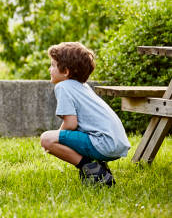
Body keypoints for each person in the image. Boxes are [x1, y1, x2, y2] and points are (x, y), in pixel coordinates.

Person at [40, 42, 130, 186]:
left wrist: (56, 139)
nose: (50, 69)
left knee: (47, 139)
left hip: (103, 144)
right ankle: (99, 168)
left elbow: (70, 124)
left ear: (66, 72)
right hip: (116, 143)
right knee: (56, 137)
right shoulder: (83, 86)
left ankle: (93, 169)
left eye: (53, 65)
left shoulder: (63, 87)